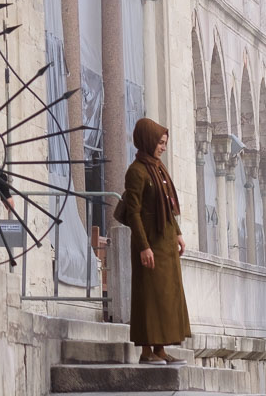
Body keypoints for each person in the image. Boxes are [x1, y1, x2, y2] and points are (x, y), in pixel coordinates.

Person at [120, 116, 192, 364]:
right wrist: (144, 247)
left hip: (166, 244)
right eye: (160, 142)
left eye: (165, 143)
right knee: (149, 297)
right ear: (148, 140)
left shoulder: (158, 168)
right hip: (150, 244)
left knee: (166, 297)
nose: (163, 147)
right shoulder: (137, 172)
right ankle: (146, 351)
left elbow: (168, 205)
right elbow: (133, 213)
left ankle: (161, 349)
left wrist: (178, 233)